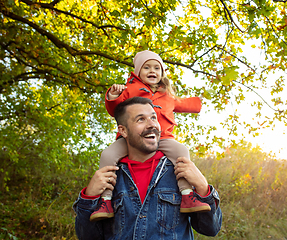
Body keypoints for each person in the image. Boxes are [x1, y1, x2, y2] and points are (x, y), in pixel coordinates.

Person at [73, 97, 222, 239]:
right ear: (123, 131)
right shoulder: (110, 177)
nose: (151, 124)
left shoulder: (180, 170)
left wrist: (203, 188)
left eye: (153, 118)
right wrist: (89, 197)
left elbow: (211, 229)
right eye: (141, 119)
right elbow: (88, 236)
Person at [90, 50, 210, 222]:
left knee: (181, 151)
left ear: (162, 73)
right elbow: (115, 109)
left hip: (164, 138)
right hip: (132, 139)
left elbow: (183, 104)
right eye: (146, 67)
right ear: (138, 72)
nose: (152, 71)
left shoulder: (167, 96)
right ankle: (105, 200)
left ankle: (187, 194)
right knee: (107, 155)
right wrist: (113, 95)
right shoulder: (130, 90)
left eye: (156, 68)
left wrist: (201, 102)